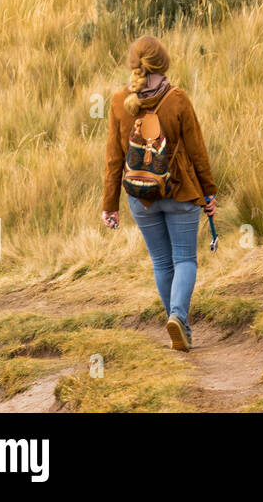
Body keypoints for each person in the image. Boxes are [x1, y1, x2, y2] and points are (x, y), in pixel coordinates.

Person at [102, 36, 217, 351]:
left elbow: (113, 159)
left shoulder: (116, 101)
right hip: (180, 192)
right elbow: (197, 152)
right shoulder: (177, 99)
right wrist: (209, 193)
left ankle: (178, 325)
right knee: (185, 259)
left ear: (134, 64)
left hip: (141, 198)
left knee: (162, 262)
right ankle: (178, 318)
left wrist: (109, 205)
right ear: (163, 62)